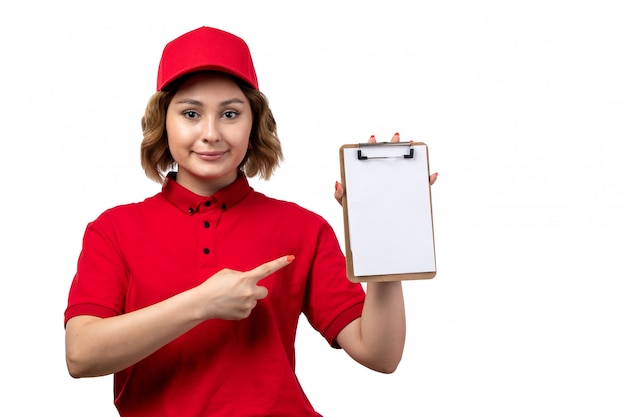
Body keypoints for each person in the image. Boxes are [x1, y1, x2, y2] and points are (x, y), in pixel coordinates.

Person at [64, 26, 437, 417]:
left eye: (230, 114)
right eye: (191, 113)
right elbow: (81, 355)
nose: (210, 134)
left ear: (254, 124)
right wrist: (202, 303)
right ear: (163, 121)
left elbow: (380, 354)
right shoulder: (114, 229)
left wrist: (383, 243)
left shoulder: (301, 228)